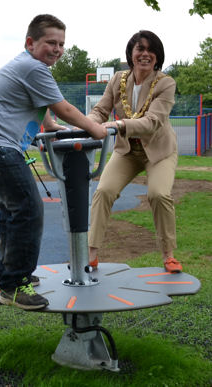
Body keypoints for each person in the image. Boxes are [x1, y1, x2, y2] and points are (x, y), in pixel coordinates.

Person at [0, 14, 107, 311]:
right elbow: (64, 107)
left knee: (12, 208)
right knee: (28, 208)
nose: (57, 49)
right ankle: (16, 285)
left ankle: (6, 274)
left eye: (62, 44)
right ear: (31, 42)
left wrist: (51, 126)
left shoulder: (28, 66)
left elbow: (44, 107)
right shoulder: (33, 66)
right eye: (50, 42)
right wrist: (97, 129)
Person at [88, 30, 182, 274]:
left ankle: (169, 255)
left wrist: (119, 125)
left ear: (157, 56)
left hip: (159, 151)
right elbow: (100, 111)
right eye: (140, 49)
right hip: (127, 150)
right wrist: (87, 124)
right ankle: (91, 254)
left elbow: (152, 122)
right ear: (131, 54)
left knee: (159, 195)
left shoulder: (165, 83)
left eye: (151, 50)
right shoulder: (118, 79)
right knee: (104, 191)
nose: (145, 54)